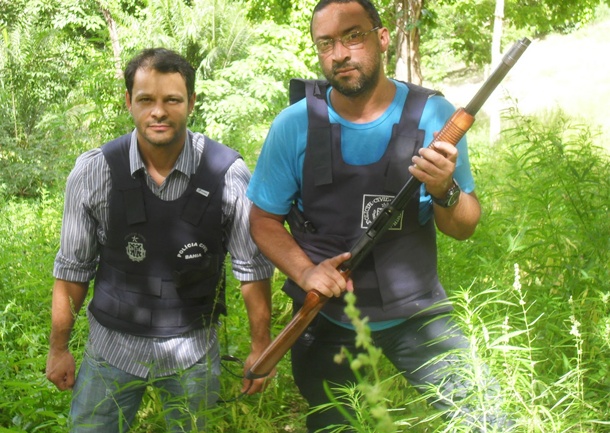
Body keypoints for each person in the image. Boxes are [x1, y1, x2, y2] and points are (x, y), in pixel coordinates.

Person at [247, 1, 511, 431]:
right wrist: (306, 273)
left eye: (353, 36)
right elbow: (262, 220)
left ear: (382, 38)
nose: (340, 54)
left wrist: (444, 189)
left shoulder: (435, 117)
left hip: (416, 313)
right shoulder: (293, 125)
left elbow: (464, 226)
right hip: (326, 316)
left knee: (488, 419)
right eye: (326, 42)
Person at [46, 48, 274, 433]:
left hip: (193, 351)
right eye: (146, 100)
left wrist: (260, 347)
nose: (159, 112)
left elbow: (252, 271)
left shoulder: (228, 175)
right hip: (111, 347)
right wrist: (58, 348)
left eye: (172, 100)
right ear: (128, 102)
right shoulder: (93, 172)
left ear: (191, 103)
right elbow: (72, 271)